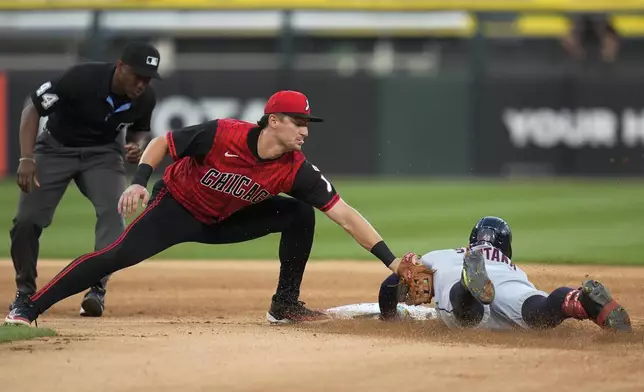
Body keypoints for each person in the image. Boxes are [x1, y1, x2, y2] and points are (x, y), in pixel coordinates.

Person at [4, 90, 431, 327]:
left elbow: (344, 214)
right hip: (175, 209)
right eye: (298, 122)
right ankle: (29, 307)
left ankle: (284, 304)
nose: (305, 130)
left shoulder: (296, 170)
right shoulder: (222, 134)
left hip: (225, 221)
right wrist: (139, 182)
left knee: (299, 214)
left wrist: (392, 261)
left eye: (307, 124)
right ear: (273, 121)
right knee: (113, 257)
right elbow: (161, 144)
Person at [8, 41, 161, 318]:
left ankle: (97, 289)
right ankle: (25, 293)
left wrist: (136, 144)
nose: (142, 83)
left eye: (148, 78)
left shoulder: (145, 97)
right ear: (120, 66)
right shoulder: (80, 78)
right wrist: (26, 159)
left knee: (115, 214)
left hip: (103, 154)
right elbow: (33, 108)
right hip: (55, 148)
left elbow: (140, 131)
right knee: (27, 221)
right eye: (138, 75)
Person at [375, 216, 631, 332]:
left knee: (466, 315)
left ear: (472, 241)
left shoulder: (438, 255)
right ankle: (577, 300)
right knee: (537, 310)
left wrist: (390, 316)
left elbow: (389, 287)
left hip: (465, 285)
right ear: (506, 247)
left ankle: (467, 286)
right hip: (510, 282)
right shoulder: (512, 266)